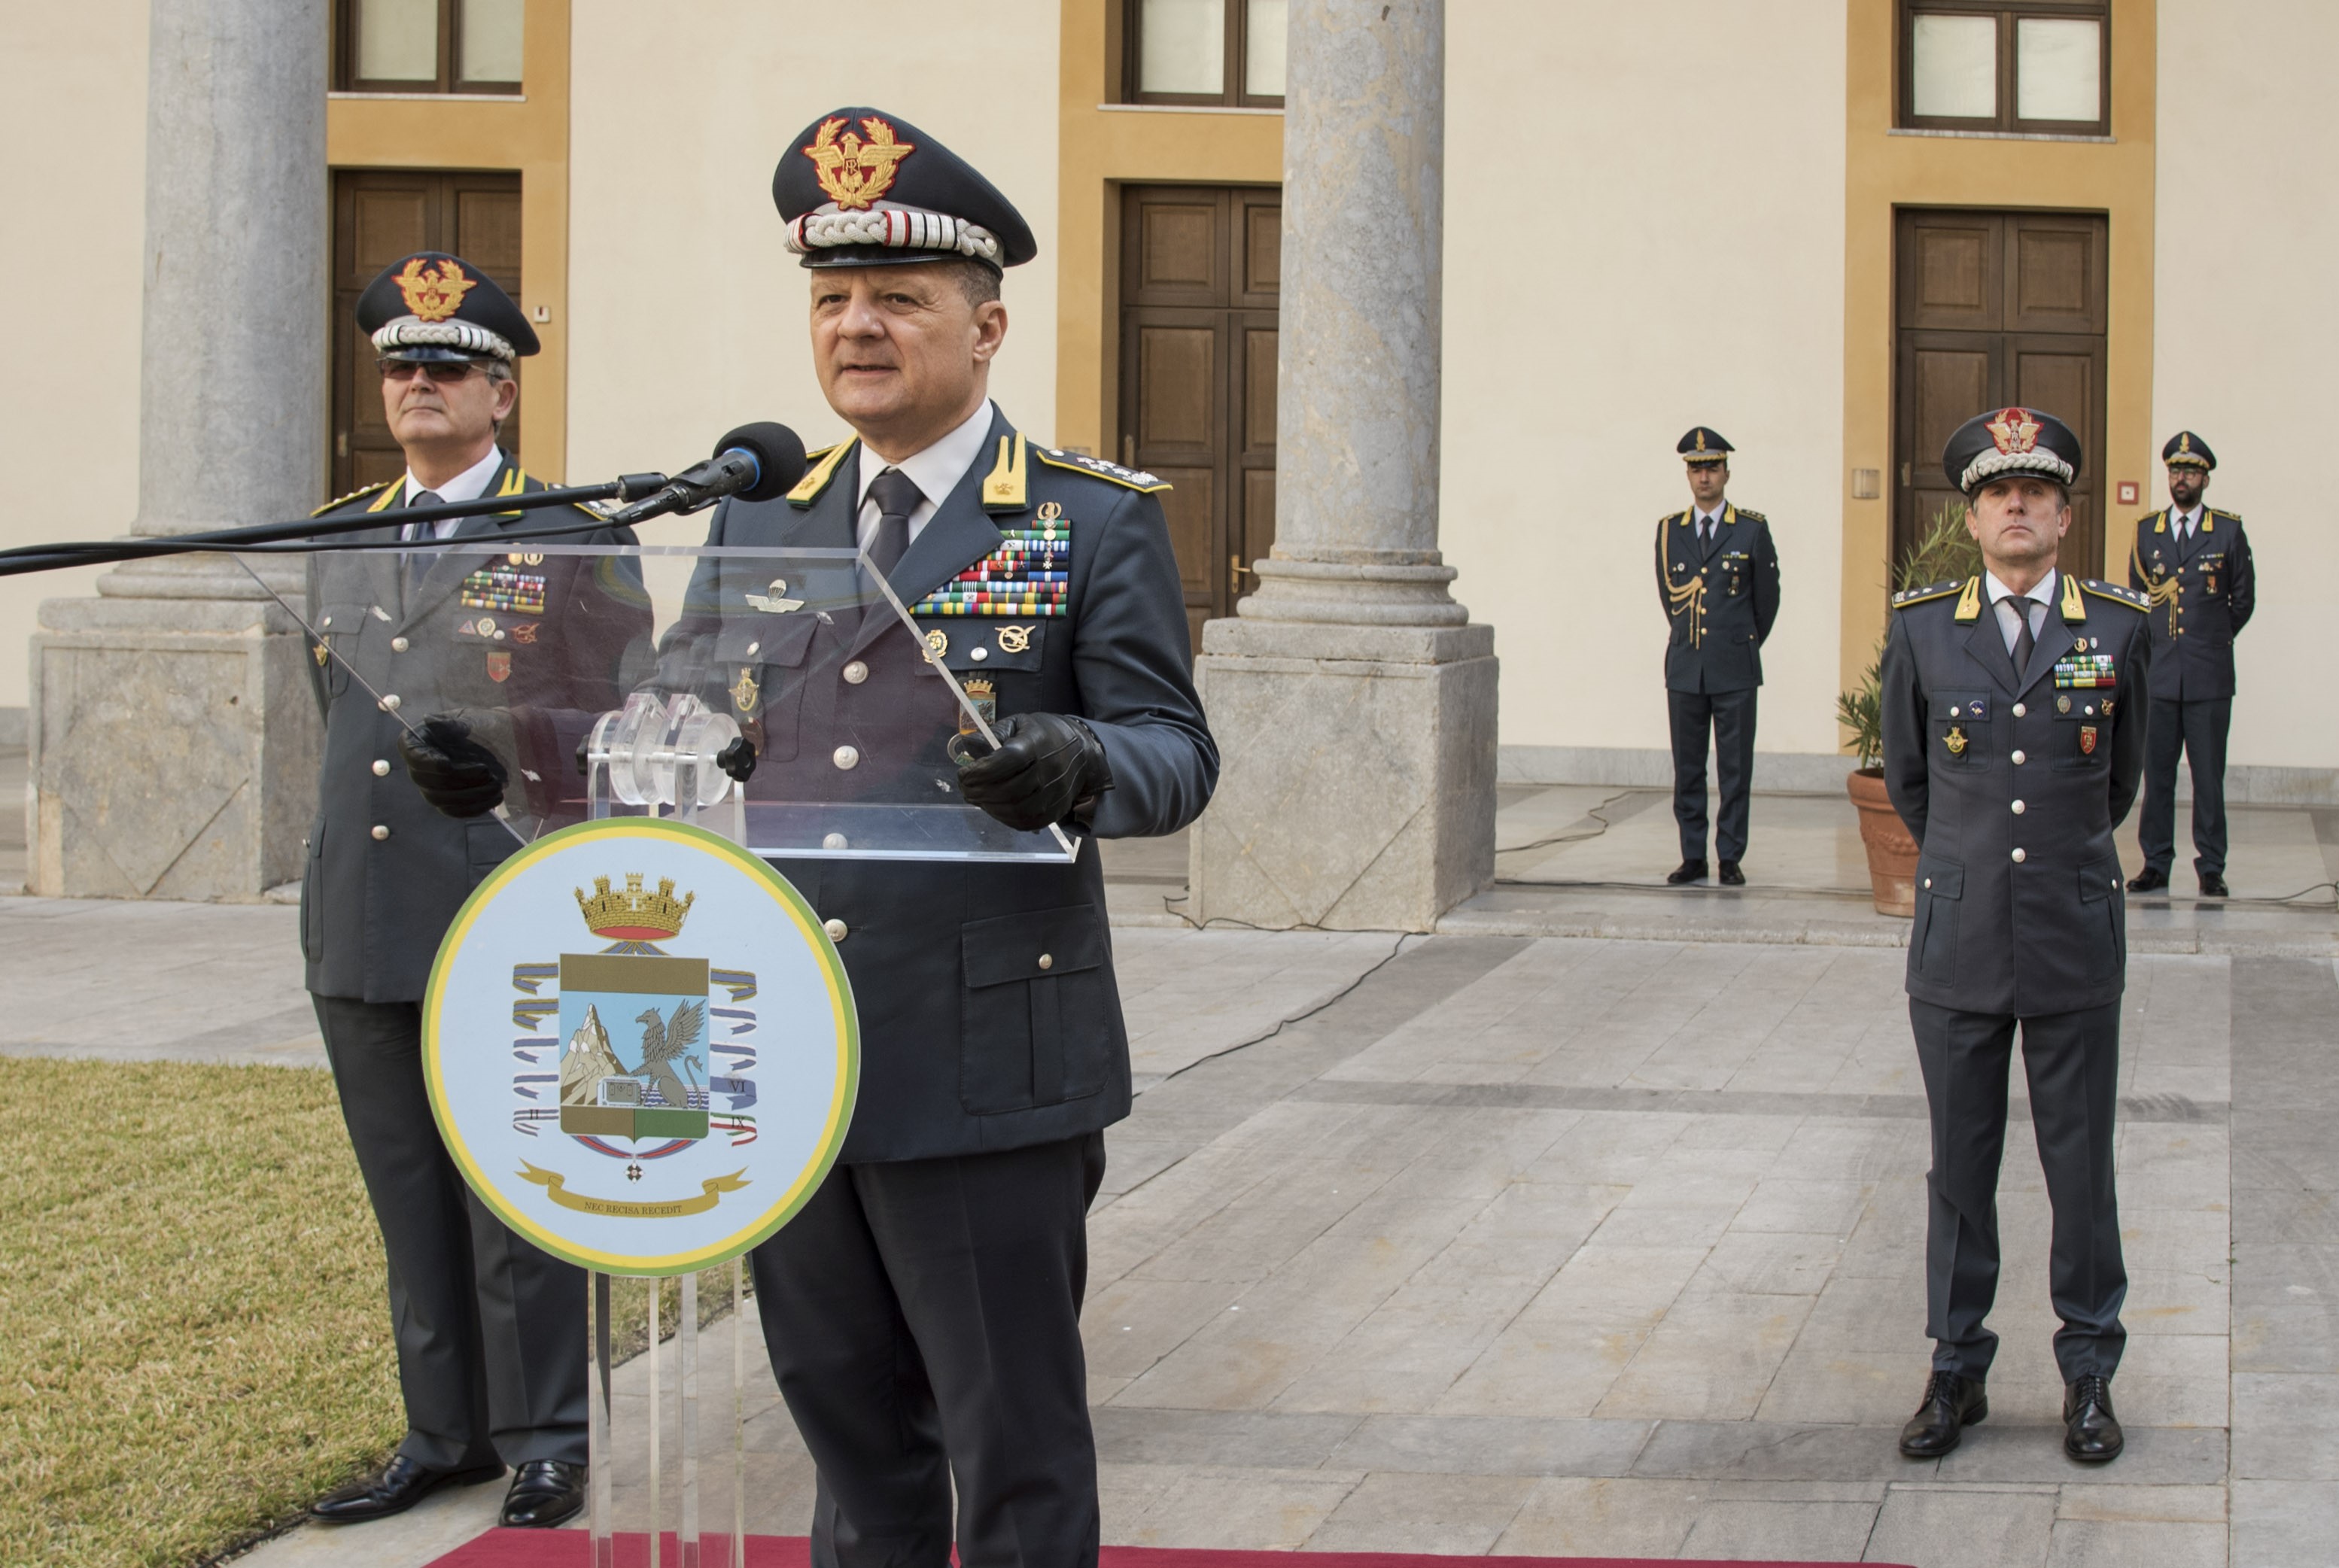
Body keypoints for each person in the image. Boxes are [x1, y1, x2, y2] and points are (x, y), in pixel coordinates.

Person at [406, 110, 1217, 1566]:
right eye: (832, 299)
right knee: (847, 1435)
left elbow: (1178, 754)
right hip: (780, 1047)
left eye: (898, 298)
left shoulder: (1088, 523)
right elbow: (670, 733)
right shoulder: (757, 518)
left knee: (1009, 1441)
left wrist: (1074, 756)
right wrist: (516, 767)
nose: (857, 326)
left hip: (979, 1060)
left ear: (987, 328)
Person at [301, 252, 648, 1528]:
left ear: (500, 393)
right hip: (366, 908)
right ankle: (440, 1426)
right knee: (407, 1192)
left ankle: (547, 1431)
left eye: (445, 366)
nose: (417, 385)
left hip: (506, 900)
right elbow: (329, 720)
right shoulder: (335, 534)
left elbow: (624, 714)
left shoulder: (571, 534)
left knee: (520, 1185)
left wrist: (508, 749)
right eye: (399, 366)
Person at [1880, 405, 2151, 1465]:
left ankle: (2089, 1371)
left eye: (2037, 493)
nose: (2019, 507)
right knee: (1962, 1166)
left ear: (2066, 516)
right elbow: (1911, 781)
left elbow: (2119, 780)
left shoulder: (2120, 628)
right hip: (1960, 939)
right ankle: (1956, 1370)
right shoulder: (1920, 628)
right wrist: (1967, 865)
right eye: (2001, 493)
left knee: (2081, 1166)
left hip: (2073, 935)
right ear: (1974, 516)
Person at [2127, 431, 2255, 898]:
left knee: (2208, 776)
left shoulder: (2227, 531)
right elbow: (2139, 602)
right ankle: (2156, 863)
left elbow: (2243, 600)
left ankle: (2211, 867)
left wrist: (2211, 641)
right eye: (2175, 471)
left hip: (2208, 674)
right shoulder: (2148, 531)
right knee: (2156, 774)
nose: (2182, 479)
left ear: (2205, 479)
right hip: (2159, 674)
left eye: (2191, 472)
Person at [1654, 427, 1781, 885]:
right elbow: (1671, 602)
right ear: (1687, 475)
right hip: (1687, 667)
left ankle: (1729, 856)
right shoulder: (1670, 531)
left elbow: (1766, 602)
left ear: (1727, 471)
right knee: (1688, 769)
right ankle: (1693, 856)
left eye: (1711, 467)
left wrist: (1740, 642)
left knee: (1734, 768)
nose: (1703, 476)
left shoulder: (1751, 530)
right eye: (1695, 468)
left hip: (1735, 667)